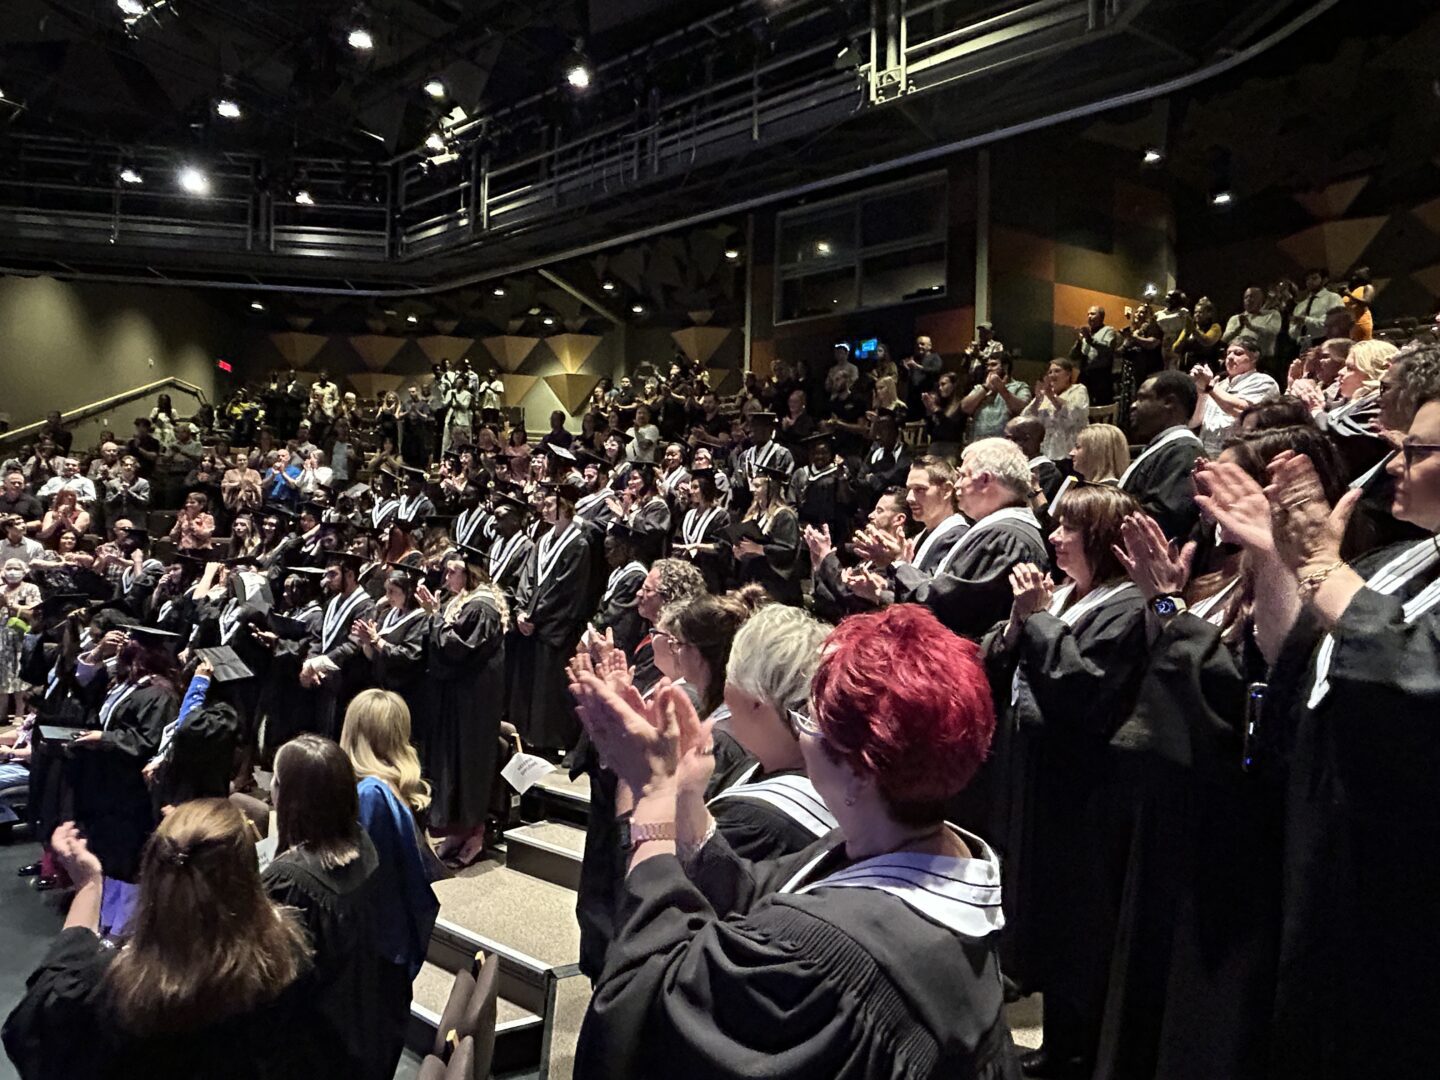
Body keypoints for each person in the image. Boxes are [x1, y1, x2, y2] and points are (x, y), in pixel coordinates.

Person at [569, 603, 1018, 1079]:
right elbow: (758, 896)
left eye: (809, 719)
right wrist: (684, 798)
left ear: (858, 771)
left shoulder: (828, 960)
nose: (801, 734)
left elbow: (647, 1002)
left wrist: (651, 800)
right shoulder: (927, 850)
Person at [1193, 362, 1440, 1077]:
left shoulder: (1347, 567)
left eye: (1416, 451)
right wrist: (1279, 559)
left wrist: (1318, 568)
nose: (1392, 463)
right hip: (1312, 842)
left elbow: (1417, 677)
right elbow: (1284, 659)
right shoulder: (1395, 561)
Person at [982, 485, 1148, 1079]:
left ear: (1099, 541)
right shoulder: (1074, 597)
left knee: (1077, 921)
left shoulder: (1127, 607)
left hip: (1083, 789)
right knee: (1045, 910)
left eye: (1067, 530)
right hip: (1036, 774)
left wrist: (1042, 619)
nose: (1053, 539)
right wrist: (1018, 620)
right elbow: (999, 661)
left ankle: (1075, 1054)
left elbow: (1081, 687)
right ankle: (1056, 1043)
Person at [2, 803, 329, 1080]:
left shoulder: (109, 990)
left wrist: (89, 885)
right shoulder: (288, 960)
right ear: (247, 878)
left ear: (154, 873)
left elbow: (35, 1021)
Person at [263, 735, 390, 1080]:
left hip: (310, 1051)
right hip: (358, 1030)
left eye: (276, 781)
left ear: (294, 799)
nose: (270, 789)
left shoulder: (290, 881)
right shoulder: (362, 844)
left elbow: (272, 989)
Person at [339, 692, 442, 1078]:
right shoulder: (391, 787)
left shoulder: (371, 796)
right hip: (389, 953)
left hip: (375, 957)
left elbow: (355, 884)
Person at [859, 440, 1050, 640]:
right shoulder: (998, 531)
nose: (957, 484)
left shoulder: (1004, 537)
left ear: (985, 480)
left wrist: (897, 564)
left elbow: (945, 608)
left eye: (963, 476)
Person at [708, 604, 839, 858]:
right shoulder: (754, 764)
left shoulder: (751, 824)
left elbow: (655, 890)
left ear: (756, 699)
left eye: (730, 673)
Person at [418, 547, 508, 867]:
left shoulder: (483, 607)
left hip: (473, 705)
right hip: (455, 699)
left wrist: (435, 617)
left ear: (470, 572)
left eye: (452, 571)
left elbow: (457, 648)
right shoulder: (462, 602)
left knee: (469, 767)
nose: (445, 576)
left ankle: (475, 834)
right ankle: (457, 830)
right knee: (452, 766)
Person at [508, 481, 593, 753]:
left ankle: (550, 742)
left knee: (550, 689)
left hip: (555, 628)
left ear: (566, 508)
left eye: (550, 505)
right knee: (529, 685)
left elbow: (566, 589)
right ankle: (528, 738)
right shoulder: (543, 541)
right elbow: (527, 578)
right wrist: (521, 611)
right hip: (532, 625)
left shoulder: (578, 544)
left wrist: (536, 617)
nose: (543, 508)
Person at [1119, 372, 1203, 539]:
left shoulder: (1184, 450)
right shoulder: (1165, 447)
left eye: (1142, 398)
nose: (1134, 405)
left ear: (1169, 402)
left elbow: (1163, 519)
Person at [1191, 336, 1280, 455]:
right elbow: (1194, 422)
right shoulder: (1218, 385)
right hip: (1205, 454)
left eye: (1238, 353)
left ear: (1254, 357)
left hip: (1238, 455)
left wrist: (1210, 386)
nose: (1230, 357)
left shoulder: (1264, 382)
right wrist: (1201, 391)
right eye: (1228, 353)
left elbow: (1241, 410)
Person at [733, 470, 801, 605]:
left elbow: (788, 550)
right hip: (753, 578)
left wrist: (760, 549)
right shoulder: (753, 515)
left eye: (758, 486)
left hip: (775, 584)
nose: (753, 490)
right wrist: (739, 551)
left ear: (771, 488)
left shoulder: (784, 515)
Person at [1022, 357, 1090, 459]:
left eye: (1057, 371)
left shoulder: (1078, 390)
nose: (1052, 376)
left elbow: (1073, 416)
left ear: (1068, 375)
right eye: (1050, 372)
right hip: (1046, 454)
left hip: (1070, 454)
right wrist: (1037, 399)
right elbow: (1026, 419)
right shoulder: (1045, 395)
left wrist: (1053, 398)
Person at [963, 354, 1032, 442]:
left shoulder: (1020, 387)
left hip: (1006, 446)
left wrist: (1001, 389)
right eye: (987, 365)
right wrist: (986, 388)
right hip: (978, 445)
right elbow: (965, 408)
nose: (988, 368)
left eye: (993, 365)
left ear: (1005, 367)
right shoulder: (981, 388)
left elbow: (1023, 410)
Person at [1221, 287, 1283, 368]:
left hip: (1262, 361)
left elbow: (1273, 332)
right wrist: (1239, 328)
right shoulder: (1235, 318)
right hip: (1236, 358)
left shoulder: (1272, 314)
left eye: (1252, 297)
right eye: (1246, 297)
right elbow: (1224, 339)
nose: (1249, 300)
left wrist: (1251, 327)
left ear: (1261, 301)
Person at [1071, 306, 1120, 405]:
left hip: (1101, 377)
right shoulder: (1086, 334)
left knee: (1101, 407)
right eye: (1088, 314)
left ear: (1101, 317)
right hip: (1084, 376)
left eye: (1093, 314)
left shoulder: (1108, 331)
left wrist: (1090, 340)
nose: (1089, 316)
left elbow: (1107, 348)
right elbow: (1073, 356)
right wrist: (1079, 342)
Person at [924, 371, 970, 457]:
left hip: (951, 449)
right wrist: (929, 413)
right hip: (934, 448)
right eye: (939, 385)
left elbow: (951, 431)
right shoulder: (942, 405)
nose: (940, 388)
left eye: (943, 384)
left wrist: (936, 410)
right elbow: (930, 432)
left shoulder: (962, 404)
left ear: (954, 385)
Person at [1342, 265, 1375, 341]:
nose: (1353, 278)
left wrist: (1349, 294)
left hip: (1361, 322)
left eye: (1356, 276)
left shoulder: (1368, 287)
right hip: (1349, 326)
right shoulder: (1351, 290)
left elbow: (1366, 302)